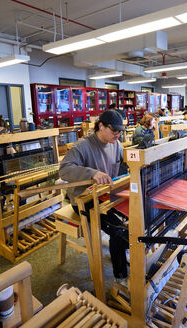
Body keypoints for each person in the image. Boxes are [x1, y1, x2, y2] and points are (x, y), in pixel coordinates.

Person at [59, 110, 129, 283]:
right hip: (84, 200)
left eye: (120, 132)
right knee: (119, 230)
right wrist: (92, 173)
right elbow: (64, 170)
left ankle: (123, 252)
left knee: (135, 218)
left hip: (106, 195)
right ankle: (122, 277)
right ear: (100, 126)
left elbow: (125, 163)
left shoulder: (116, 144)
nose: (118, 135)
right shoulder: (83, 145)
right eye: (114, 131)